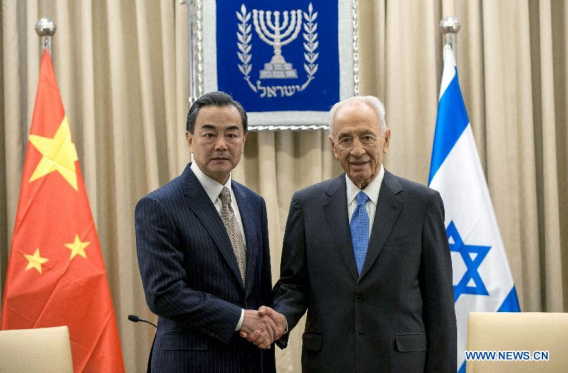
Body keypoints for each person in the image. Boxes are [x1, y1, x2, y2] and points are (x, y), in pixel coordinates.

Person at [254, 95, 457, 372]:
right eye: (346, 139)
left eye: (367, 137)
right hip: (328, 362)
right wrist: (282, 318)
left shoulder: (422, 204)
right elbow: (294, 284)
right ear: (333, 146)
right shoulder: (307, 204)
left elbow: (440, 304)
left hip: (401, 363)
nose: (357, 150)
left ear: (385, 140)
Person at [135, 91, 276, 372]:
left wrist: (266, 325)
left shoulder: (254, 204)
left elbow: (257, 290)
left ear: (244, 140)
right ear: (189, 139)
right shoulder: (159, 205)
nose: (221, 145)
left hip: (250, 361)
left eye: (232, 135)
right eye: (209, 135)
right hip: (190, 363)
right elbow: (164, 293)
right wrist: (238, 318)